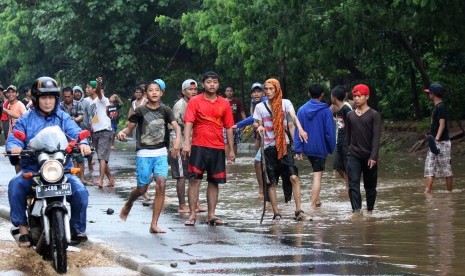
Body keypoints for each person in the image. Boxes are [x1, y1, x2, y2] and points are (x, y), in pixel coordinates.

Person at [6, 76, 91, 248]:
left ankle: (77, 230)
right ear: (36, 99)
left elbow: (76, 132)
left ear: (56, 99)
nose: (47, 102)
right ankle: (22, 229)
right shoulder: (26, 119)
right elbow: (15, 137)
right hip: (34, 169)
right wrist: (14, 147)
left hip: (61, 169)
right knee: (15, 185)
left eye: (51, 97)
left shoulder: (63, 118)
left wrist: (83, 144)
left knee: (81, 191)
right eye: (44, 98)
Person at [118, 79, 181, 234]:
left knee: (161, 184)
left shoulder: (166, 110)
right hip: (144, 153)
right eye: (151, 90)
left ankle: (154, 224)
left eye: (157, 90)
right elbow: (129, 127)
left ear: (161, 93)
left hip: (160, 152)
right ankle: (129, 202)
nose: (154, 92)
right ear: (146, 93)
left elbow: (176, 127)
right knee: (142, 188)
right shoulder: (140, 111)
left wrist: (177, 142)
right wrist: (122, 133)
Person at [182, 71, 235, 226]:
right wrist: (186, 143)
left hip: (217, 147)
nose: (212, 85)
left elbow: (229, 127)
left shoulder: (224, 103)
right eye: (209, 82)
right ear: (203, 84)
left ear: (218, 84)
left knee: (214, 182)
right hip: (198, 146)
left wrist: (231, 149)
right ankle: (192, 215)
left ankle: (211, 215)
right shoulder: (195, 101)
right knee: (194, 180)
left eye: (215, 82)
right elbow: (189, 123)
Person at [253, 78, 308, 221]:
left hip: (284, 146)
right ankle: (276, 212)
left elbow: (293, 117)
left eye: (272, 89)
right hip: (268, 148)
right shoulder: (260, 107)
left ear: (277, 89)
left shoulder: (285, 103)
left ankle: (298, 210)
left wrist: (301, 130)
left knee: (293, 177)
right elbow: (256, 123)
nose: (269, 92)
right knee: (271, 182)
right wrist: (259, 127)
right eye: (267, 89)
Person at [295, 84, 336, 209]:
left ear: (309, 93)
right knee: (318, 175)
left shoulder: (301, 109)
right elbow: (329, 132)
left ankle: (317, 201)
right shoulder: (326, 110)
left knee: (316, 170)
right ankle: (312, 205)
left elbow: (298, 129)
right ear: (322, 95)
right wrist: (331, 147)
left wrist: (298, 148)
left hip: (307, 147)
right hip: (320, 147)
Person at [169, 79, 206, 213]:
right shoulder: (179, 105)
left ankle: (195, 203)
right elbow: (174, 127)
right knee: (181, 175)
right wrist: (176, 145)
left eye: (195, 89)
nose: (193, 92)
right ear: (184, 91)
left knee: (194, 174)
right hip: (179, 143)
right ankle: (182, 205)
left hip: (194, 143)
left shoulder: (198, 103)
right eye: (190, 89)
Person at [345, 84, 381, 215]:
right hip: (353, 155)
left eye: (359, 96)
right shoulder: (350, 115)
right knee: (353, 184)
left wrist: (374, 156)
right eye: (354, 96)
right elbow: (348, 137)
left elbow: (376, 137)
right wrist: (348, 154)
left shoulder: (374, 115)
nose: (356, 99)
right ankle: (356, 211)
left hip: (369, 156)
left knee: (370, 187)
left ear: (367, 96)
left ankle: (370, 210)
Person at [85, 77, 115, 188]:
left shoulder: (102, 99)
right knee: (101, 157)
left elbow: (99, 93)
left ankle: (101, 179)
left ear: (94, 89)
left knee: (102, 157)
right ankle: (111, 179)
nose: (86, 89)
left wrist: (99, 84)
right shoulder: (90, 101)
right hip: (95, 132)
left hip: (104, 131)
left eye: (88, 87)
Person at [423, 83, 453, 193]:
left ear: (434, 94)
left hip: (442, 143)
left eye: (429, 93)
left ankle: (449, 193)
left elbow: (442, 124)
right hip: (434, 144)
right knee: (429, 168)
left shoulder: (441, 107)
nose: (428, 94)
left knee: (446, 170)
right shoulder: (436, 107)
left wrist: (436, 139)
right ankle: (427, 192)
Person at [59, 87, 90, 185]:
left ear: (72, 95)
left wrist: (74, 120)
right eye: (65, 97)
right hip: (63, 135)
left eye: (69, 96)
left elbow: (81, 117)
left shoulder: (78, 104)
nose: (67, 98)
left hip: (76, 134)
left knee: (79, 157)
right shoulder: (60, 106)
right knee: (64, 158)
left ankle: (81, 178)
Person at [331, 85, 353, 188]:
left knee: (347, 166)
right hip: (338, 141)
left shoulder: (346, 108)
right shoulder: (338, 109)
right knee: (337, 166)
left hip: (346, 142)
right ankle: (349, 184)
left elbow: (353, 125)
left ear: (334, 97)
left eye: (331, 96)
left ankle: (350, 187)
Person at [3, 85, 27, 173]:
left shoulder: (20, 104)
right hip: (12, 136)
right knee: (15, 160)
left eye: (13, 92)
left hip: (20, 136)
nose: (10, 94)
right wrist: (8, 138)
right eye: (9, 92)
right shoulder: (8, 105)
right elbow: (10, 123)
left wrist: (5, 110)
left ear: (17, 94)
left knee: (20, 159)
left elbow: (24, 118)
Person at [224, 86, 246, 162]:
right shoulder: (222, 101)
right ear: (225, 92)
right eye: (227, 91)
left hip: (235, 125)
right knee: (226, 142)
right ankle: (228, 160)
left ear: (233, 92)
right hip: (224, 125)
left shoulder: (237, 101)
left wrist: (245, 122)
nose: (229, 92)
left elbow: (242, 112)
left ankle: (233, 159)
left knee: (235, 142)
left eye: (230, 91)